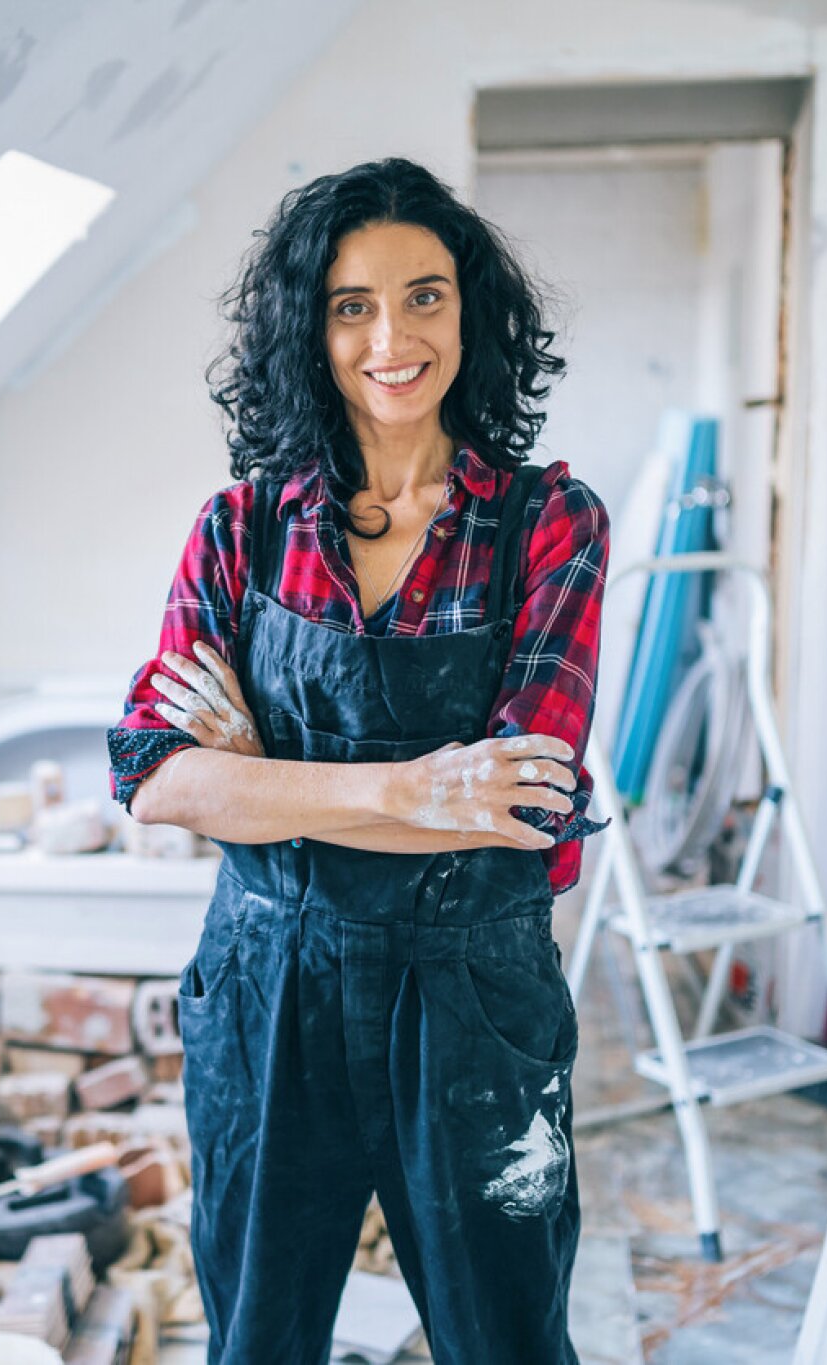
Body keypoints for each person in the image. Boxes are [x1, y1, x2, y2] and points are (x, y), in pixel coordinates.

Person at [104, 157, 610, 1363]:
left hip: (471, 1004)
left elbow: (520, 812)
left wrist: (263, 783)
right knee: (257, 1341)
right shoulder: (240, 530)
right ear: (309, 329)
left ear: (470, 311)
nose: (393, 336)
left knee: (507, 1339)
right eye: (352, 305)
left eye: (424, 296)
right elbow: (154, 777)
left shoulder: (548, 521)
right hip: (266, 995)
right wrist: (414, 790)